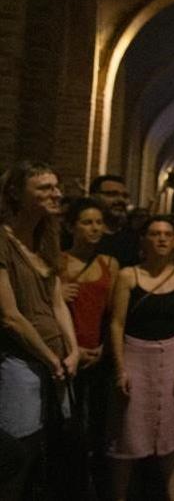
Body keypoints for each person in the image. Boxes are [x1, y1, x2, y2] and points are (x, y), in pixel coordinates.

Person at [0, 161, 80, 500]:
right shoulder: (3, 240)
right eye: (45, 188)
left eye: (56, 186)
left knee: (53, 453)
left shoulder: (46, 239)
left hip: (57, 362)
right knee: (20, 452)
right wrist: (49, 357)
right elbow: (10, 316)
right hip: (22, 360)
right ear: (18, 192)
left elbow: (57, 302)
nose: (56, 194)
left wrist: (72, 350)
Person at [107, 215, 174, 501]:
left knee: (172, 425)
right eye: (155, 233)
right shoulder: (128, 276)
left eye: (167, 234)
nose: (161, 239)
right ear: (145, 239)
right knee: (129, 429)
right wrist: (120, 368)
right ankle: (120, 495)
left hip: (172, 353)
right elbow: (117, 324)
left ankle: (171, 492)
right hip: (136, 354)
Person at [61, 196, 119, 490]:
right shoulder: (58, 262)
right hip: (66, 353)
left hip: (98, 354)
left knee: (97, 426)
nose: (95, 228)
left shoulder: (109, 263)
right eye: (87, 222)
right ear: (72, 226)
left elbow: (114, 315)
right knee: (68, 426)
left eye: (98, 222)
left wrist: (104, 349)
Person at [91, 174, 140, 267]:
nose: (121, 200)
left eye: (125, 196)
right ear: (93, 197)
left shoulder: (133, 238)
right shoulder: (81, 236)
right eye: (112, 194)